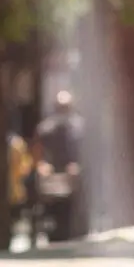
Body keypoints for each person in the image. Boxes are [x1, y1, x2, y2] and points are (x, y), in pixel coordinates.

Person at [28, 88, 83, 244]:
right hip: (52, 176)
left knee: (72, 210)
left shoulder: (79, 127)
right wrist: (41, 164)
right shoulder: (45, 128)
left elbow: (87, 151)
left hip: (73, 175)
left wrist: (78, 165)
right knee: (50, 210)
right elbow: (37, 150)